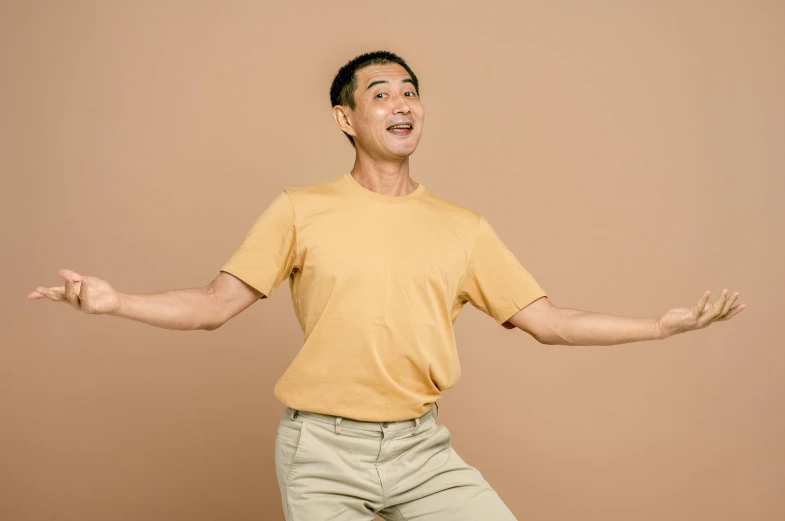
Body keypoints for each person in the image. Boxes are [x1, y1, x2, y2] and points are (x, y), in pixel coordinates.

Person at [29, 50, 745, 520]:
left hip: (421, 452)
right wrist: (115, 300)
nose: (402, 102)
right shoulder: (300, 209)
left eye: (410, 91)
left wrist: (660, 325)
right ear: (345, 118)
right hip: (321, 453)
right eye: (381, 93)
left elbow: (549, 319)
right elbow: (215, 305)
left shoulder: (460, 227)